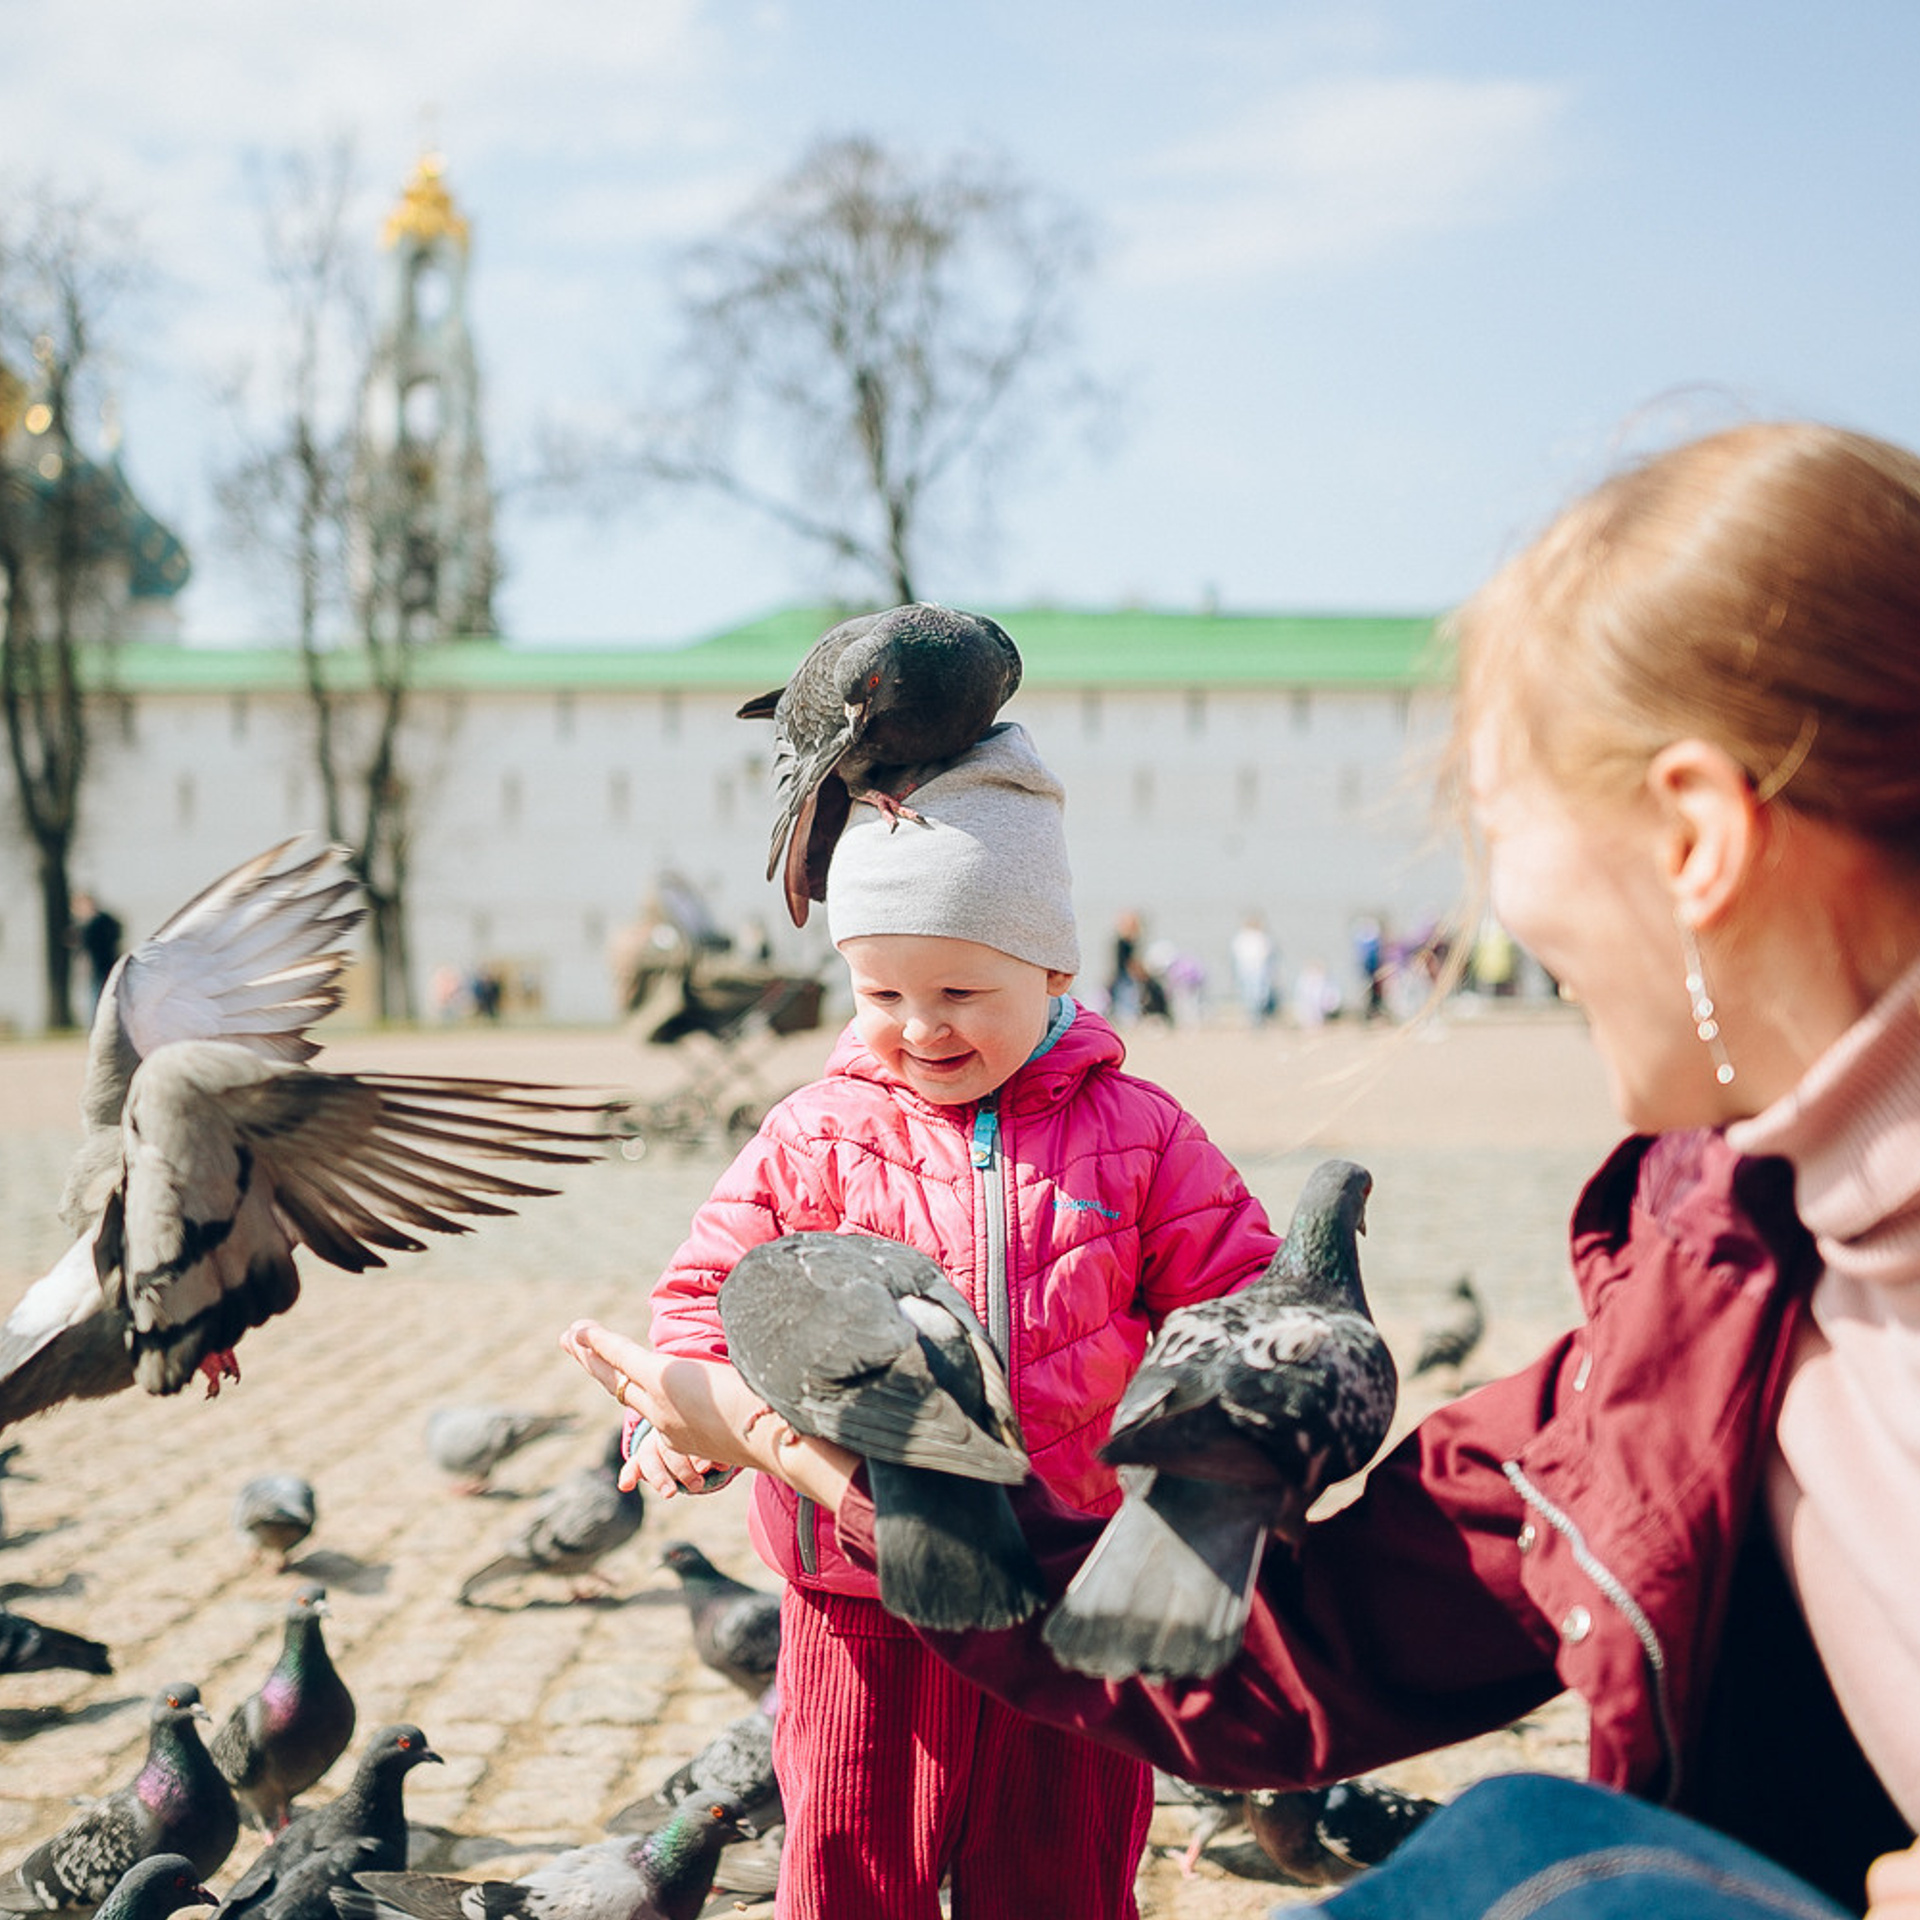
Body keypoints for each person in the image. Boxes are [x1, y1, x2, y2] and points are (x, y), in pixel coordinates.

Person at [573, 422, 1920, 1919]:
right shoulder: (1716, 1280)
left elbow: (1238, 1335)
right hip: (897, 1604)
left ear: (1696, 839)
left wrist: (795, 1445)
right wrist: (783, 1447)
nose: (1497, 914)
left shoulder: (1154, 1138)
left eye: (1497, 827)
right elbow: (1301, 1647)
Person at [566, 720, 1278, 1920]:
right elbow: (707, 1300)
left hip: (1071, 1581)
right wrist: (683, 1421)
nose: (920, 1025)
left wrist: (1243, 1436)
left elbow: (1240, 1296)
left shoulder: (1143, 1134)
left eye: (961, 991)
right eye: (882, 992)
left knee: (1061, 1878)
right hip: (861, 1595)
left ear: (1054, 974)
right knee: (851, 1867)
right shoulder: (814, 1134)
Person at [68, 889, 122, 1017]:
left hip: (102, 966)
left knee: (99, 997)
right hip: (101, 966)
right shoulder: (99, 921)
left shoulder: (96, 923)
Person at [1230, 913, 1278, 1026]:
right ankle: (1254, 1016)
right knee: (1251, 994)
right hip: (1249, 970)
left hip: (1256, 970)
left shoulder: (1260, 937)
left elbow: (1267, 954)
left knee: (1257, 994)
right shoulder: (1243, 937)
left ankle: (1256, 1016)